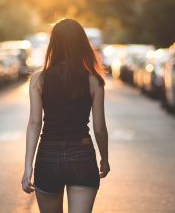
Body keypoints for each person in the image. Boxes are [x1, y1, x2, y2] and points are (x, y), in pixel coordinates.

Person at [22, 19, 110, 213]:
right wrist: (104, 158)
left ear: (53, 44)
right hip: (82, 156)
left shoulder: (39, 79)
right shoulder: (93, 80)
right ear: (82, 44)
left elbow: (35, 124)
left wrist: (28, 166)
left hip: (48, 157)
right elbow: (99, 128)